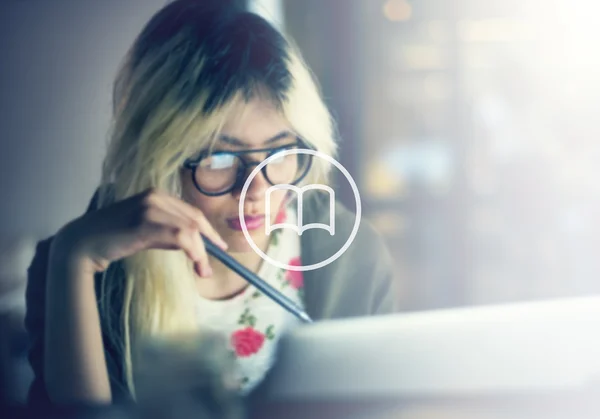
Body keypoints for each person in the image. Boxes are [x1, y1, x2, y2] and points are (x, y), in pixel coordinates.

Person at [24, 0, 398, 409]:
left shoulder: (350, 252)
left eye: (278, 154)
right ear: (158, 157)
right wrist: (72, 260)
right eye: (219, 159)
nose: (256, 191)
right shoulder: (73, 266)